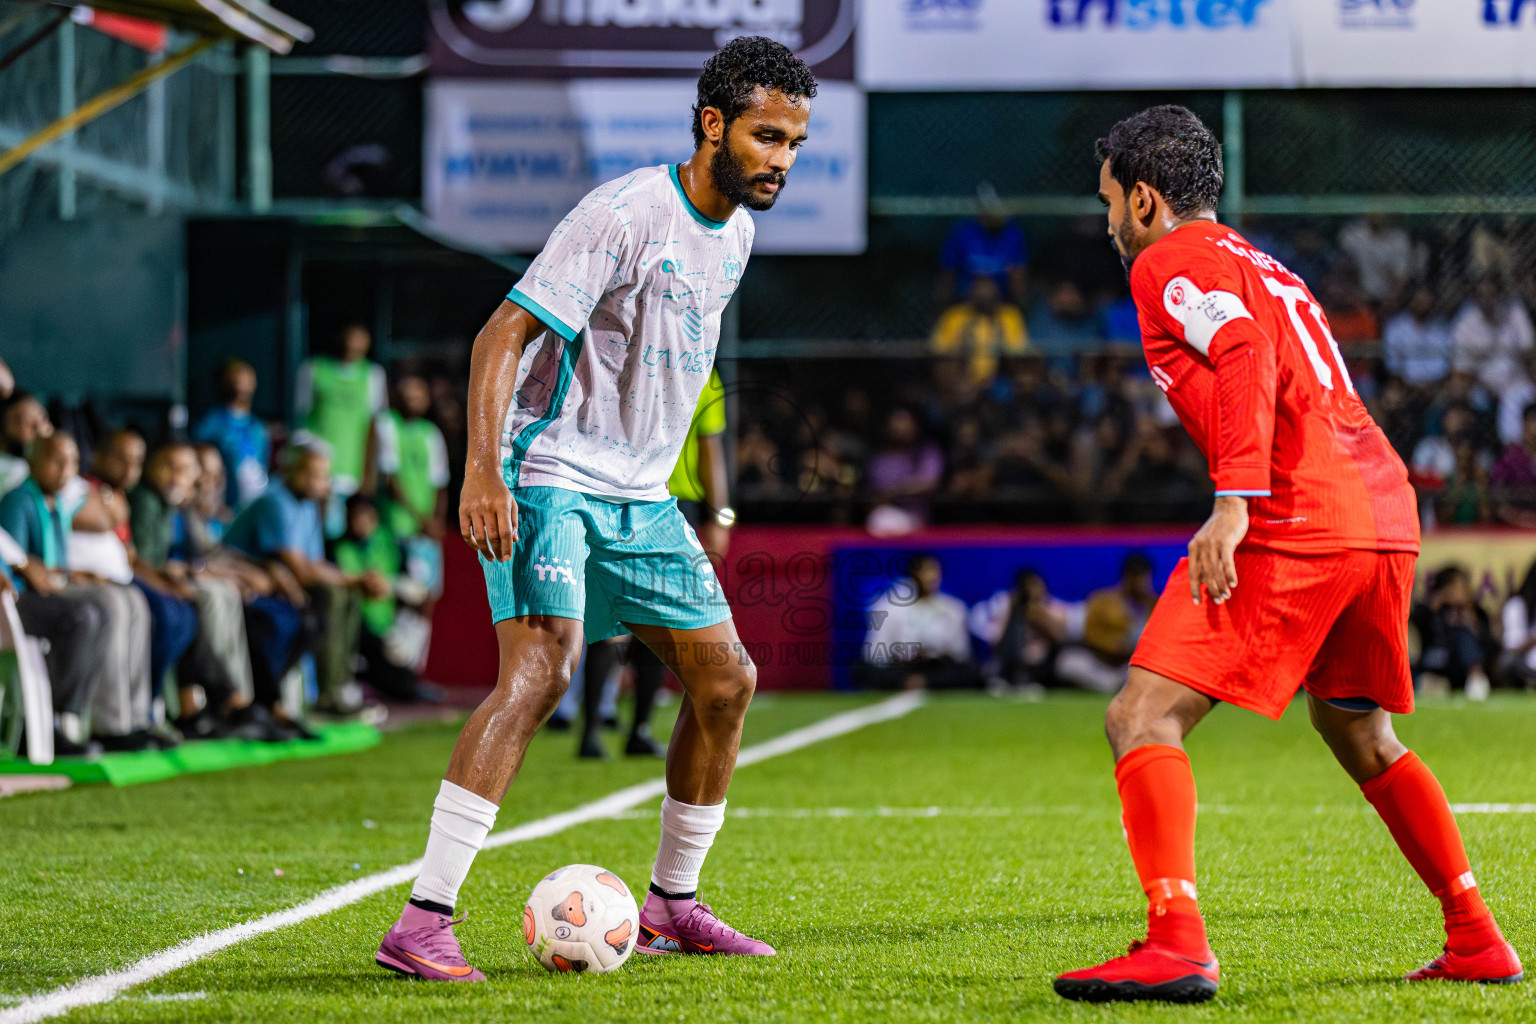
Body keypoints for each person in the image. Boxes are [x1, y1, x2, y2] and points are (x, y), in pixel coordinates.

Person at [1055, 106, 1519, 1004]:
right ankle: (1476, 935)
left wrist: (1233, 502)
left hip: (1296, 513)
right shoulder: (1260, 260)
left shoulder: (1167, 262)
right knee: (1356, 727)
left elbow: (1241, 349)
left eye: (1110, 200)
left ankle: (1177, 941)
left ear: (1145, 200)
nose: (1107, 220)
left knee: (1141, 716)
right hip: (1380, 508)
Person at [375, 36, 815, 980]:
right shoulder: (624, 213)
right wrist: (483, 470)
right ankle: (424, 920)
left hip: (641, 496)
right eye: (767, 137)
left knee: (726, 682)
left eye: (794, 144)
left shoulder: (735, 234)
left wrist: (698, 493)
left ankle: (672, 906)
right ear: (714, 125)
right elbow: (503, 333)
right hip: (551, 473)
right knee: (542, 671)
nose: (782, 159)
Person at [595, 368, 735, 760]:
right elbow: (711, 450)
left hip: (615, 493)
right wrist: (720, 515)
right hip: (669, 503)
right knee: (661, 620)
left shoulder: (626, 355)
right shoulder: (702, 369)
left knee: (613, 617)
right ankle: (633, 728)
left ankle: (592, 731)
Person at [0, 434, 156, 749]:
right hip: (19, 599)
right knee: (96, 611)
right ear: (32, 461)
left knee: (132, 599)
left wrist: (76, 575)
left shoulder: (57, 505)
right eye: (56, 461)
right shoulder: (18, 500)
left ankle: (133, 716)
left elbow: (47, 566)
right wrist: (43, 573)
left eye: (72, 462)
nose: (65, 470)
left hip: (48, 588)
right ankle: (77, 721)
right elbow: (21, 565)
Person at [224, 444, 389, 714]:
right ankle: (326, 697)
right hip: (245, 582)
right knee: (333, 594)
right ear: (290, 470)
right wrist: (353, 579)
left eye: (323, 475)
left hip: (277, 586)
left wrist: (356, 581)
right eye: (311, 474)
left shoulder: (308, 506)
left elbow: (316, 564)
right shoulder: (275, 501)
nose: (319, 482)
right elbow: (299, 569)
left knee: (347, 595)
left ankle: (340, 688)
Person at [333, 493, 422, 703]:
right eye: (356, 516)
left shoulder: (390, 543)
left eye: (366, 515)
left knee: (405, 686)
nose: (362, 522)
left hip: (388, 627)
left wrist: (389, 586)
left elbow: (415, 589)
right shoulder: (337, 547)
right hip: (357, 628)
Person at [295, 323, 387, 510]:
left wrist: (368, 474)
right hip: (318, 474)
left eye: (360, 338)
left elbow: (374, 426)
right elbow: (300, 420)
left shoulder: (373, 375)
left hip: (353, 476)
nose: (353, 343)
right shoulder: (314, 368)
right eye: (349, 336)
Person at [855, 554, 978, 690]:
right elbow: (874, 655)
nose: (931, 578)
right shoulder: (889, 608)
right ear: (912, 575)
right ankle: (908, 682)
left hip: (936, 671)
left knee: (968, 673)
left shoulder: (954, 609)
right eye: (924, 572)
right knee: (862, 669)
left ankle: (924, 681)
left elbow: (961, 656)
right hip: (900, 669)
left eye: (934, 571)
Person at [1054, 552, 1155, 695]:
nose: (1141, 583)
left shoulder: (1154, 605)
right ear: (1127, 577)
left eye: (1144, 577)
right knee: (1067, 662)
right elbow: (1090, 634)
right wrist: (1115, 647)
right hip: (1101, 665)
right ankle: (1115, 686)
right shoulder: (1102, 601)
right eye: (1137, 577)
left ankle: (1119, 685)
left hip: (1130, 668)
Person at [193, 359, 271, 510]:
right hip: (222, 505)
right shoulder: (211, 422)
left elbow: (263, 463)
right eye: (235, 378)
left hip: (253, 503)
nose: (241, 383)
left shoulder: (258, 427)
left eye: (246, 378)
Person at [936, 181, 1028, 307]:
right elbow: (947, 276)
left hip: (1001, 305)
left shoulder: (1013, 234)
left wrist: (1021, 307)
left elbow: (1017, 279)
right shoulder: (962, 232)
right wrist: (941, 307)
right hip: (965, 303)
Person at [930, 276, 1029, 388]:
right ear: (971, 295)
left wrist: (1000, 339)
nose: (984, 297)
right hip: (962, 376)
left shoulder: (1009, 315)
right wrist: (960, 344)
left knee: (1025, 369)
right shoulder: (955, 315)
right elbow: (938, 349)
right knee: (945, 365)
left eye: (988, 294)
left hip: (1002, 376)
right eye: (979, 294)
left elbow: (1019, 350)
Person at [1383, 286, 1453, 387]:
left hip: (1436, 388)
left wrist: (1434, 386)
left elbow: (1446, 363)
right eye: (1419, 300)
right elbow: (1393, 366)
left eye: (1426, 300)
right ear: (1411, 300)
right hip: (1404, 387)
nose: (1422, 304)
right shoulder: (1396, 326)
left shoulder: (1441, 327)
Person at [1490, 402, 1536, 528]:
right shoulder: (1510, 457)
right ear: (1524, 426)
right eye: (1532, 422)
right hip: (1514, 528)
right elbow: (1495, 497)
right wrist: (1522, 518)